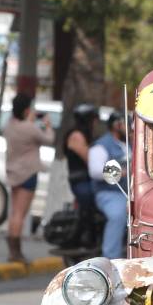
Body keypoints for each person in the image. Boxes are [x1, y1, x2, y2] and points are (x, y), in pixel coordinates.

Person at [3, 93, 54, 263]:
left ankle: (12, 248)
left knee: (14, 212)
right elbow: (49, 139)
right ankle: (15, 252)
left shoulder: (9, 126)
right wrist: (47, 125)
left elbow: (19, 125)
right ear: (26, 110)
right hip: (28, 174)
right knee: (20, 214)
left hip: (13, 172)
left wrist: (28, 119)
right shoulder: (30, 128)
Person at [88, 110, 130, 258]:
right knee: (118, 214)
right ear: (116, 125)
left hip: (132, 193)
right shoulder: (101, 145)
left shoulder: (131, 144)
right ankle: (111, 259)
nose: (130, 127)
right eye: (126, 124)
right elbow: (95, 170)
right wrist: (120, 172)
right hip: (111, 193)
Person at [65, 104, 98, 247]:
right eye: (93, 119)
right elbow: (89, 158)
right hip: (80, 179)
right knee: (89, 202)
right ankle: (80, 238)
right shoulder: (76, 135)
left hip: (88, 179)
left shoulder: (86, 135)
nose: (95, 123)